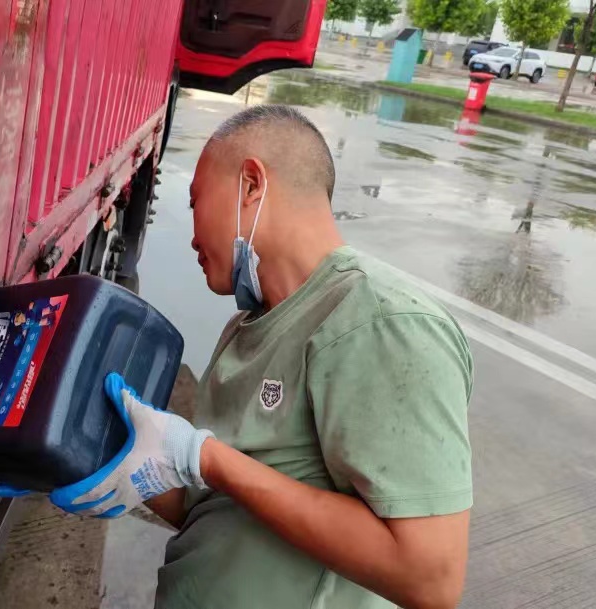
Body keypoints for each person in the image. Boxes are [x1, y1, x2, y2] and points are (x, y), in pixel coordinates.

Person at [50, 104, 474, 609]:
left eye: (195, 201)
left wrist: (205, 457)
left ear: (251, 184)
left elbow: (428, 577)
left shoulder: (380, 321)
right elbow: (220, 509)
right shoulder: (248, 327)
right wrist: (100, 458)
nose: (192, 235)